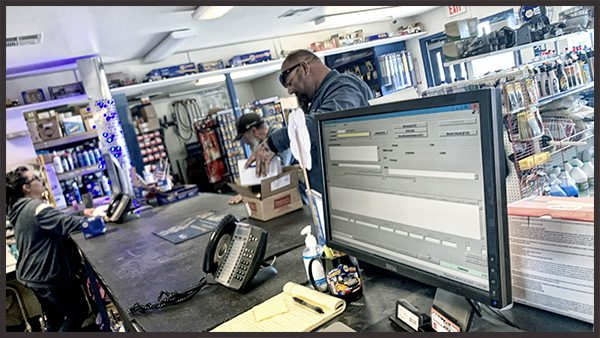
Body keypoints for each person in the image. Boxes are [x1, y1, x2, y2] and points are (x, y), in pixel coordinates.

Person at [246, 49, 373, 194]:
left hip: (354, 193)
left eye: (291, 83)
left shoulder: (345, 86)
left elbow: (324, 123)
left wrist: (272, 144)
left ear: (305, 68)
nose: (290, 91)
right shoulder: (320, 99)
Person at [6, 166, 97, 331]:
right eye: (36, 178)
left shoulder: (21, 207)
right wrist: (97, 218)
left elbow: (56, 219)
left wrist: (83, 212)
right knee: (77, 313)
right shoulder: (37, 208)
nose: (41, 181)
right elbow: (66, 224)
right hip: (48, 275)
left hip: (32, 275)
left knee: (54, 320)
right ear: (26, 187)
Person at [228, 113, 291, 204]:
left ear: (254, 131)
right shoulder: (263, 147)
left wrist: (250, 193)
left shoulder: (278, 141)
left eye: (244, 137)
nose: (245, 142)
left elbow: (277, 174)